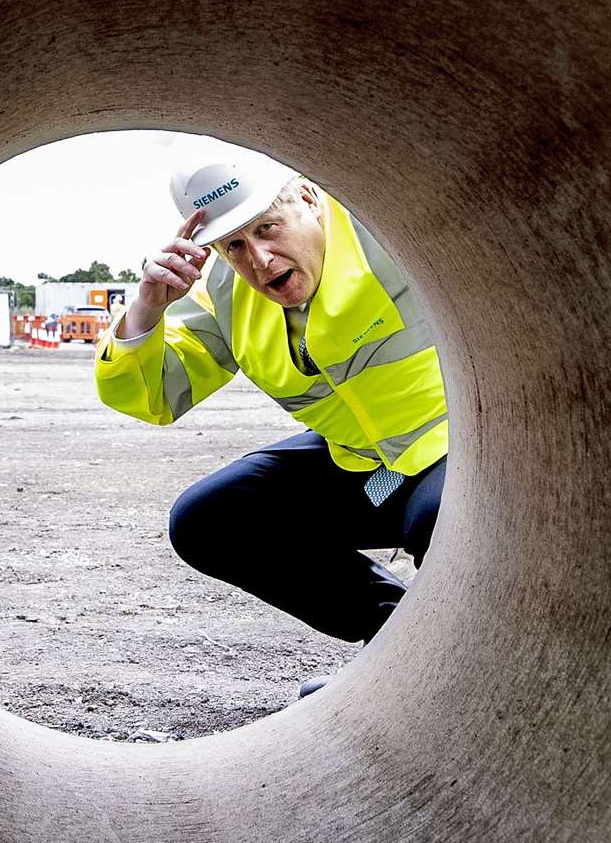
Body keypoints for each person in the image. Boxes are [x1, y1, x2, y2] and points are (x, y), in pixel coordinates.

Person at [94, 140, 448, 695]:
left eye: (266, 228)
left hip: (455, 450)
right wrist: (146, 308)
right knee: (208, 519)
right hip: (368, 470)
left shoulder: (386, 232)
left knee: (447, 515)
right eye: (233, 244)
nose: (258, 260)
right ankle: (396, 642)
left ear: (307, 197)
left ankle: (460, 665)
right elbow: (153, 396)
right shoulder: (224, 293)